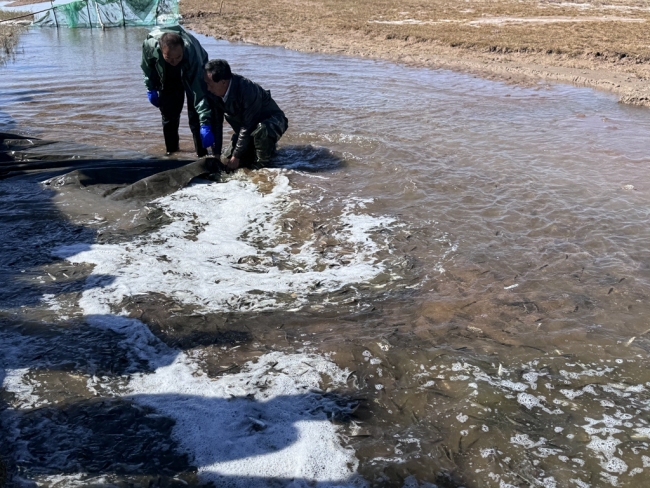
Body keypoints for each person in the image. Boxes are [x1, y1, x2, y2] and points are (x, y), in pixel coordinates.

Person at [141, 25, 216, 157]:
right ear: (161, 50)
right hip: (167, 73)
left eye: (177, 57)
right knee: (169, 115)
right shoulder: (150, 45)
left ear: (183, 49)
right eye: (169, 57)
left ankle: (202, 155)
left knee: (196, 116)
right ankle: (172, 152)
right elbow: (147, 66)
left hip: (192, 67)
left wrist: (205, 122)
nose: (174, 61)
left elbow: (198, 92)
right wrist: (150, 87)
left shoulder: (191, 53)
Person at [203, 59, 288, 171]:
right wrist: (217, 155)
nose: (208, 88)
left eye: (210, 84)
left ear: (223, 82)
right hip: (247, 129)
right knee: (226, 159)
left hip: (271, 122)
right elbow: (217, 124)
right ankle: (261, 148)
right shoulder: (214, 94)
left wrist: (236, 156)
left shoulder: (247, 89)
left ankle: (262, 166)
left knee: (261, 131)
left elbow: (248, 125)